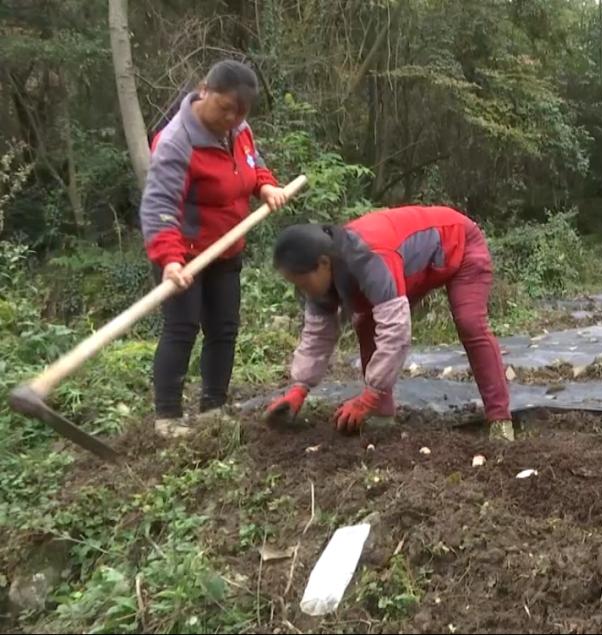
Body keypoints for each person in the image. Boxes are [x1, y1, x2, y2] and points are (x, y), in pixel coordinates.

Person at [263, 206, 516, 441]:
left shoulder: (369, 257)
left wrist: (368, 396)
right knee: (366, 323)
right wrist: (300, 388)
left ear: (324, 264)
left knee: (470, 323)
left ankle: (500, 419)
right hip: (412, 269)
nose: (301, 290)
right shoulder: (326, 273)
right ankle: (382, 416)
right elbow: (317, 335)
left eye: (302, 282)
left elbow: (395, 329)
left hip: (460, 243)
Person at [140, 60, 288, 437]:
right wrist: (171, 261)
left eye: (239, 113)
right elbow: (160, 207)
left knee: (224, 328)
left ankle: (213, 407)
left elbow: (252, 163)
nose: (231, 119)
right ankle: (168, 417)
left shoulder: (238, 128)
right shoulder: (176, 142)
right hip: (183, 254)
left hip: (226, 247)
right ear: (204, 89)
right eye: (225, 109)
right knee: (182, 327)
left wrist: (265, 185)